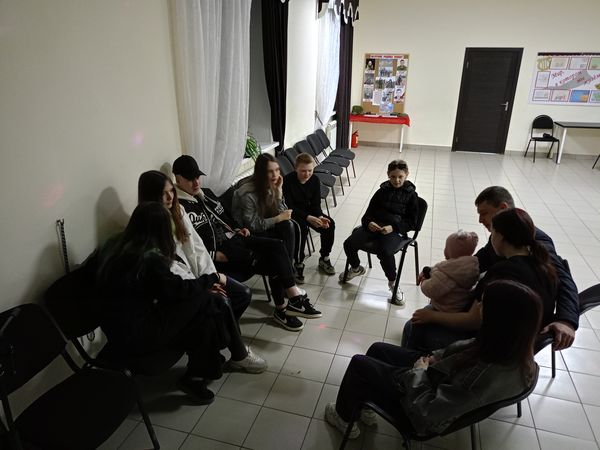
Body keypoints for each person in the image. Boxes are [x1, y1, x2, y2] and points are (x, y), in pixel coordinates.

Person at [94, 202, 266, 405]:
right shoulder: (148, 258)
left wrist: (201, 288)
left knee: (206, 307)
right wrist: (211, 280)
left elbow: (168, 290)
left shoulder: (119, 245)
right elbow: (177, 289)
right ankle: (225, 357)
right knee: (209, 302)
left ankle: (203, 369)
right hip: (138, 335)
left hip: (123, 327)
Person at [324, 280, 542, 439]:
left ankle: (343, 417)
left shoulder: (481, 374)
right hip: (438, 378)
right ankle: (365, 404)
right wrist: (435, 358)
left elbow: (427, 413)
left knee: (359, 363)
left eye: (484, 304)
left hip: (420, 402)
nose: (478, 307)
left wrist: (419, 371)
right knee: (378, 349)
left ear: (499, 318)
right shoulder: (514, 349)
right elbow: (460, 352)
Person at [172, 155, 317, 331]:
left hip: (237, 239)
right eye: (190, 179)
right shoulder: (179, 208)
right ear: (178, 179)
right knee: (276, 258)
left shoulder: (206, 193)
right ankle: (284, 306)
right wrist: (214, 254)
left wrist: (237, 228)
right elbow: (186, 245)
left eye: (197, 177)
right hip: (223, 253)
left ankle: (292, 297)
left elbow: (226, 217)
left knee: (279, 246)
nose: (196, 183)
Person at [406, 208, 558, 352]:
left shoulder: (501, 272)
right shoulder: (545, 266)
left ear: (501, 237)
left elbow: (473, 321)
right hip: (524, 347)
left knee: (414, 325)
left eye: (492, 233)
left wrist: (433, 317)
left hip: (492, 350)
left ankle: (418, 366)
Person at [474, 186, 578, 350]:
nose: (480, 220)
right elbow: (480, 259)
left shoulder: (538, 242)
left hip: (513, 331)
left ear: (503, 208)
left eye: (484, 213)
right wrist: (443, 270)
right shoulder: (501, 236)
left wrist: (566, 320)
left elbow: (564, 280)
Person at [138, 170, 251, 321]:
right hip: (184, 286)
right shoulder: (149, 226)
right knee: (223, 303)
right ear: (151, 196)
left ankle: (221, 328)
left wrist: (209, 278)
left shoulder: (179, 211)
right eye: (163, 193)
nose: (170, 197)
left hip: (200, 277)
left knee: (243, 294)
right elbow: (173, 267)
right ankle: (220, 329)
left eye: (171, 191)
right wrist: (202, 286)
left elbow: (197, 248)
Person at [339, 159, 419, 306]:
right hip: (375, 227)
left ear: (407, 174)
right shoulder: (381, 191)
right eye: (393, 177)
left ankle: (393, 282)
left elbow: (412, 223)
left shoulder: (412, 195)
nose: (396, 180)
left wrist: (393, 228)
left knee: (384, 251)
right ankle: (356, 268)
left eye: (400, 177)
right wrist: (369, 223)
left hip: (396, 231)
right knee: (349, 243)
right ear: (388, 175)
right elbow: (368, 214)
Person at [282, 152, 336, 277]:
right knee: (301, 229)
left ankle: (324, 257)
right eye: (303, 171)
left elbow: (316, 204)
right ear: (296, 169)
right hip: (293, 213)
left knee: (329, 225)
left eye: (310, 170)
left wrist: (320, 216)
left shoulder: (315, 180)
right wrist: (308, 218)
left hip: (310, 211)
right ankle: (298, 262)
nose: (307, 174)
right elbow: (289, 206)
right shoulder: (287, 180)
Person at [420, 230, 480, 313]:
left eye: (446, 247)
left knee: (417, 316)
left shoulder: (447, 275)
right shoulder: (469, 267)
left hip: (444, 308)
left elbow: (431, 289)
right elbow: (443, 270)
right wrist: (431, 270)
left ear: (450, 251)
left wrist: (424, 282)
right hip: (460, 305)